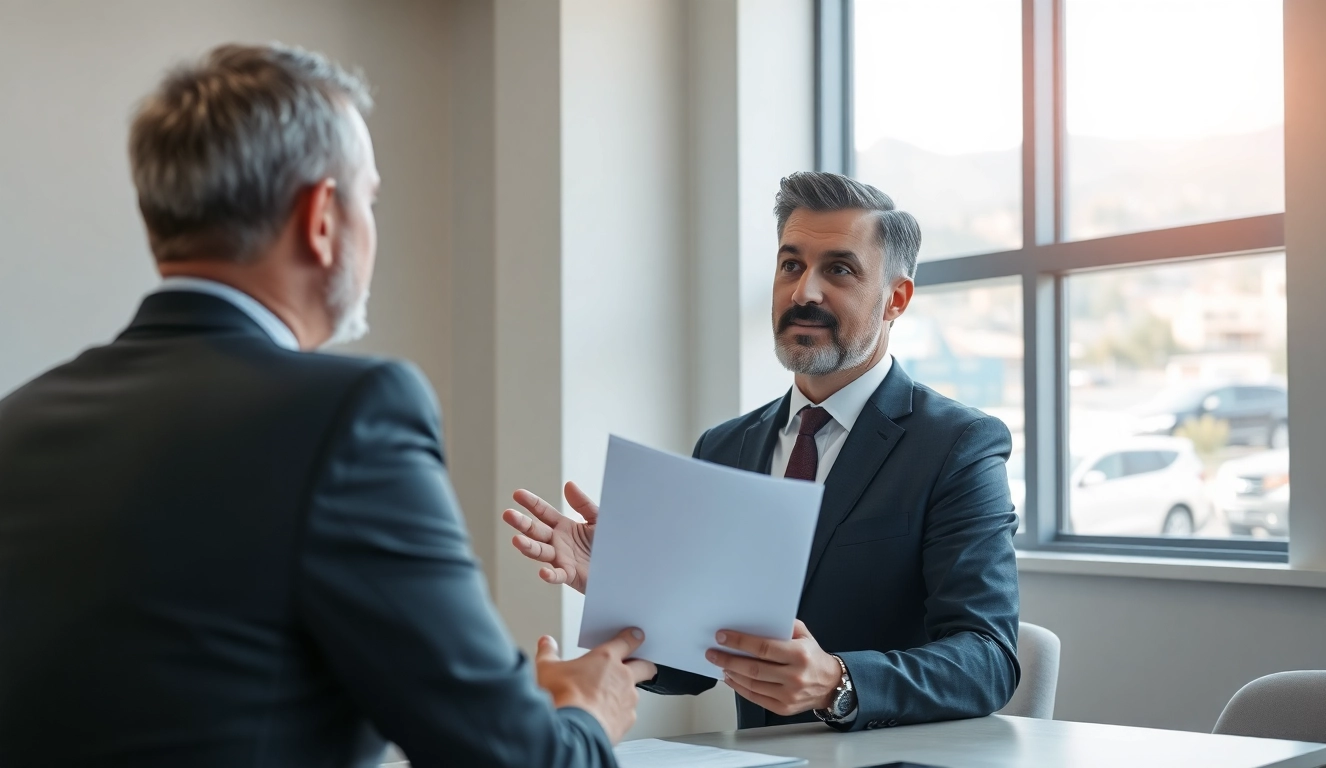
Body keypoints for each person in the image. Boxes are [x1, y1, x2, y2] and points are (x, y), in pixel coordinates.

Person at [0, 43, 651, 768]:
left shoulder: (18, 421)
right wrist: (585, 713)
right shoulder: (352, 416)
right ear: (320, 217)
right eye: (369, 199)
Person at [504, 171, 1020, 732]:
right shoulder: (725, 446)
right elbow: (696, 664)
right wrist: (627, 590)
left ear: (896, 299)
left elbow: (988, 659)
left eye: (839, 270)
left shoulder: (958, 445)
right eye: (791, 265)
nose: (804, 293)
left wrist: (839, 682)